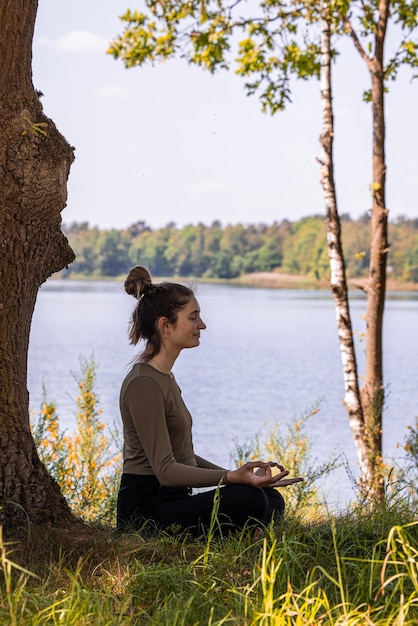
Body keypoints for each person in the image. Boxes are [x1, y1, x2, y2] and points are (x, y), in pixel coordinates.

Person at [116, 266, 303, 536]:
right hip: (146, 511)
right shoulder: (144, 384)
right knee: (246, 499)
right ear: (165, 326)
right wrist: (231, 478)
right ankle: (247, 534)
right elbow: (166, 471)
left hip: (173, 499)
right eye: (193, 318)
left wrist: (242, 475)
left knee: (269, 498)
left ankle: (247, 534)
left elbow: (184, 457)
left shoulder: (163, 377)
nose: (202, 325)